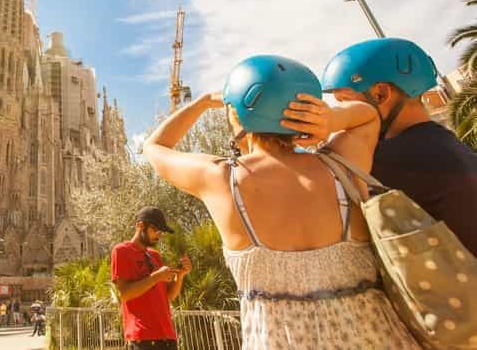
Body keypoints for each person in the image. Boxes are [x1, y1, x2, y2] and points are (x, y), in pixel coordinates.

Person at [143, 54, 420, 349]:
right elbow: (367, 114)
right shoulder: (341, 165)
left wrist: (201, 103)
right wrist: (330, 121)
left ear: (236, 115)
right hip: (378, 338)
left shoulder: (222, 180)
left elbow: (154, 146)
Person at [322, 37, 477, 255]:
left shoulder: (388, 159)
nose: (343, 111)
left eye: (346, 102)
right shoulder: (449, 145)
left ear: (380, 94)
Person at [107, 207, 189, 349]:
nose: (159, 235)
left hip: (168, 337)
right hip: (142, 338)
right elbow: (124, 294)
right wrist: (156, 277)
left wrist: (180, 275)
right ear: (140, 225)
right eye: (156, 230)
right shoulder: (121, 251)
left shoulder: (155, 255)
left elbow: (169, 296)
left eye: (161, 232)